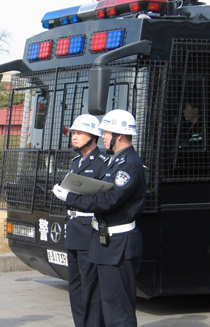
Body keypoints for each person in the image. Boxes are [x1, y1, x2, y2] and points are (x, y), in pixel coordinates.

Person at [53, 109, 146, 327]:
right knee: (109, 306)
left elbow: (108, 200)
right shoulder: (117, 161)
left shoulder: (129, 164)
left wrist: (71, 198)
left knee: (119, 312)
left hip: (119, 244)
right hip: (107, 243)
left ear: (119, 135)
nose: (102, 136)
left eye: (106, 132)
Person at [64, 114, 108, 327]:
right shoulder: (75, 162)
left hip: (88, 229)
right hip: (73, 228)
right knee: (75, 287)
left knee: (90, 287)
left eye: (79, 133)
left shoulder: (102, 164)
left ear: (93, 137)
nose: (74, 136)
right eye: (73, 132)